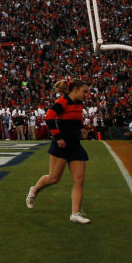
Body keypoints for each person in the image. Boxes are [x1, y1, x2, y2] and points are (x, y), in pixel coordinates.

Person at [26, 78, 92, 224]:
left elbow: (75, 120)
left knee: (79, 179)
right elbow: (49, 117)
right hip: (61, 145)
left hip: (75, 144)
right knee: (54, 178)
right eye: (84, 91)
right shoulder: (63, 101)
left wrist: (82, 128)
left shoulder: (79, 103)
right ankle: (34, 190)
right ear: (76, 90)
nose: (86, 94)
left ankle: (75, 213)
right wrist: (58, 136)